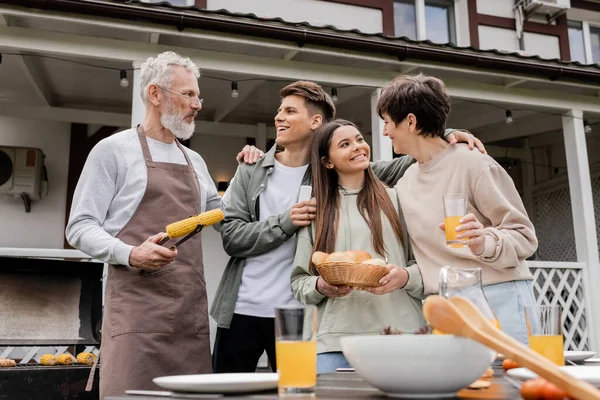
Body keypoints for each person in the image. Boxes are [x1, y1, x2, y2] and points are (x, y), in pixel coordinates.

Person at [210, 80, 486, 373]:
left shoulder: (337, 172)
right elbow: (231, 236)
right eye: (280, 111)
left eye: (290, 111)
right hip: (245, 308)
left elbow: (409, 155)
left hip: (301, 316)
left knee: (295, 392)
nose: (279, 117)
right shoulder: (251, 169)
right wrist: (287, 221)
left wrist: (448, 134)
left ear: (316, 121)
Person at [65, 51, 261, 399]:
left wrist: (247, 173)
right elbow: (79, 226)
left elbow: (222, 215)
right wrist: (129, 253)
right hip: (137, 319)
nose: (197, 104)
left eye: (197, 95)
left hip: (189, 320)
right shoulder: (112, 151)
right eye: (188, 94)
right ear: (155, 95)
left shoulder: (195, 161)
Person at [377, 74, 538, 344]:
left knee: (512, 386)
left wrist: (484, 241)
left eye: (387, 123)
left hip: (499, 297)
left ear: (411, 122)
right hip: (446, 308)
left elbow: (524, 235)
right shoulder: (404, 184)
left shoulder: (475, 165)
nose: (384, 132)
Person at [290, 119, 426, 373]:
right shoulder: (314, 210)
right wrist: (321, 285)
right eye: (345, 144)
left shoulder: (399, 199)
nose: (358, 147)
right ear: (327, 162)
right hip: (333, 342)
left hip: (401, 333)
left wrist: (406, 277)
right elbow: (299, 282)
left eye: (359, 140)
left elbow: (428, 265)